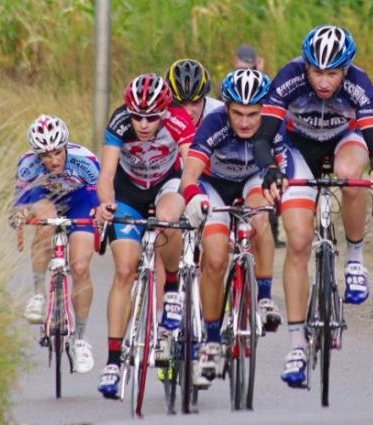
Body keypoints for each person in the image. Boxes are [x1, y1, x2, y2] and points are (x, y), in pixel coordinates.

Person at [254, 25, 373, 387]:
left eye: (333, 73)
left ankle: (355, 259)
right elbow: (264, 136)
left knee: (349, 174)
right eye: (316, 71)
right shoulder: (289, 77)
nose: (324, 81)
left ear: (346, 69)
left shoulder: (360, 84)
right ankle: (297, 346)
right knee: (298, 243)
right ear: (306, 66)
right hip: (297, 148)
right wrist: (269, 169)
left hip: (344, 141)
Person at [181, 68, 284, 386]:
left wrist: (282, 187)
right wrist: (194, 198)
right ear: (226, 108)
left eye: (253, 114)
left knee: (260, 214)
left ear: (264, 111)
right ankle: (211, 339)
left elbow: (285, 164)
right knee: (213, 260)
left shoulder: (273, 124)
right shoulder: (213, 123)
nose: (244, 122)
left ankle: (264, 296)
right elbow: (190, 174)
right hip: (215, 187)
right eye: (237, 113)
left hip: (252, 181)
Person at [94, 74, 195, 398]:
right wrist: (106, 203)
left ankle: (174, 288)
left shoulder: (178, 120)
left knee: (168, 218)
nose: (143, 124)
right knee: (124, 269)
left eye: (151, 117)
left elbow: (192, 165)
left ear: (164, 111)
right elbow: (106, 175)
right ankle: (112, 362)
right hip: (128, 192)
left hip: (166, 185)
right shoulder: (120, 121)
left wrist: (194, 197)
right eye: (138, 116)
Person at [11, 114, 99, 374]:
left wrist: (101, 226)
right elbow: (22, 205)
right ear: (37, 155)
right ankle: (38, 294)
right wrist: (20, 217)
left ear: (66, 147)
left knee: (80, 267)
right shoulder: (27, 165)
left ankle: (80, 340)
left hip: (80, 202)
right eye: (46, 155)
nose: (54, 160)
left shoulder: (86, 161)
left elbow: (100, 204)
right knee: (46, 217)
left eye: (58, 152)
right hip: (46, 199)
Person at [232, 45, 286, 248]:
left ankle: (271, 232)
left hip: (261, 142)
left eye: (249, 63)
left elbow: (272, 102)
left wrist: (261, 73)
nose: (245, 67)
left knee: (269, 184)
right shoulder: (232, 83)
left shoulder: (263, 82)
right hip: (237, 145)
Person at [166, 58, 223, 128]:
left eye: (195, 102)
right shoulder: (160, 118)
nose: (188, 112)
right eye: (181, 103)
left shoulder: (220, 115)